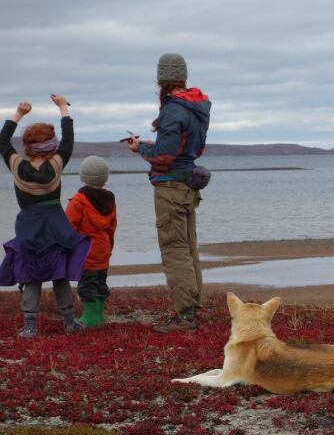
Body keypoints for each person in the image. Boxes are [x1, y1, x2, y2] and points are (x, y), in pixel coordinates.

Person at [126, 53, 211, 332]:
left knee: (175, 249)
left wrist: (141, 148)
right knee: (188, 248)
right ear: (183, 77)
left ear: (161, 79)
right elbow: (195, 149)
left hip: (171, 187)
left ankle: (186, 315)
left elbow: (164, 156)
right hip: (187, 185)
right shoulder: (197, 107)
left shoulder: (173, 110)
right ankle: (193, 307)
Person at [0, 96, 91, 338]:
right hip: (56, 227)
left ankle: (30, 326)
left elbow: (2, 140)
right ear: (52, 146)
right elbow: (68, 141)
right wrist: (63, 108)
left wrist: (19, 113)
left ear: (28, 146)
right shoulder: (56, 164)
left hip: (29, 227)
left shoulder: (17, 165)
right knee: (59, 275)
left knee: (31, 277)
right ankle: (69, 323)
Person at [66, 156, 117, 327]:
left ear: (83, 176)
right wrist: (109, 247)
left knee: (87, 286)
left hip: (85, 252)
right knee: (100, 283)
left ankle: (91, 319)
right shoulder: (110, 200)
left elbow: (69, 228)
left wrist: (68, 249)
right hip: (103, 248)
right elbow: (112, 227)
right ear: (105, 178)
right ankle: (99, 316)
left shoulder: (78, 201)